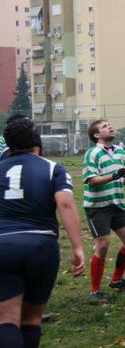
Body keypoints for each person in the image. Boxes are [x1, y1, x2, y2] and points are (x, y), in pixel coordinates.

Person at [0, 116, 85, 348]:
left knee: (6, 320)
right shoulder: (53, 168)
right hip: (41, 246)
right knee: (31, 319)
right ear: (38, 143)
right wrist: (77, 247)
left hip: (3, 245)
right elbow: (65, 204)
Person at [83, 120, 125, 302]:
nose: (110, 127)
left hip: (117, 205)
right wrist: (114, 176)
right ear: (96, 135)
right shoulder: (93, 153)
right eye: (104, 126)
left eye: (110, 125)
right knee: (103, 246)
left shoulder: (120, 151)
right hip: (97, 207)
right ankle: (95, 291)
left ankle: (117, 280)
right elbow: (91, 181)